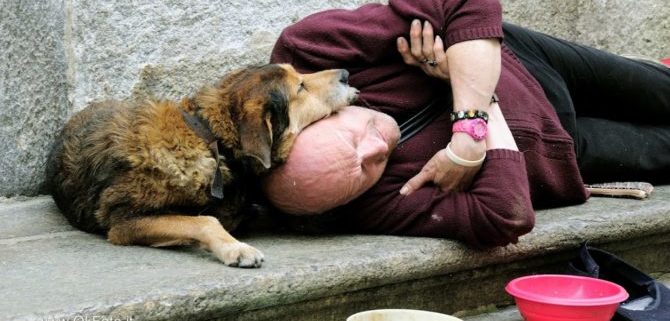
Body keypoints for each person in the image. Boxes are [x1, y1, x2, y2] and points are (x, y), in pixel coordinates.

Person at [262, 0, 670, 248]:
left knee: (660, 89)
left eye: (353, 139)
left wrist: (467, 119)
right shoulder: (359, 208)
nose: (378, 149)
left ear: (317, 119)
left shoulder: (308, 52)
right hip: (554, 152)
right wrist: (481, 115)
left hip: (526, 63)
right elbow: (503, 217)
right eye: (362, 172)